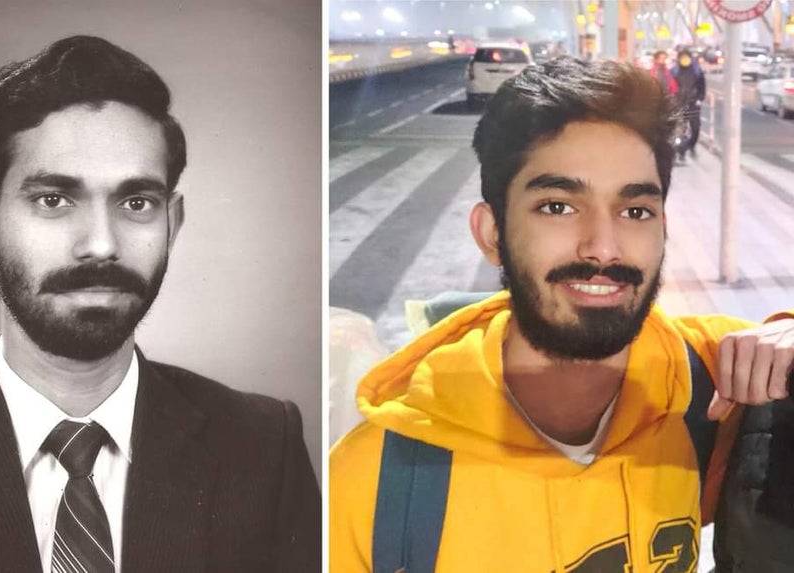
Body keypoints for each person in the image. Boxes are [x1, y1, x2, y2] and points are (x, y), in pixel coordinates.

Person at [0, 35, 319, 572]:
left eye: (136, 203)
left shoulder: (262, 446)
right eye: (54, 200)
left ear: (171, 224)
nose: (101, 243)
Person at [329, 56, 794, 571]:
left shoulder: (705, 382)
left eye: (635, 210)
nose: (603, 247)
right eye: (558, 206)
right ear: (491, 234)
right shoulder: (375, 483)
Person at [673, 48, 706, 160]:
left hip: (693, 103)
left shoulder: (697, 71)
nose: (685, 60)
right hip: (679, 104)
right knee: (680, 129)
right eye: (682, 57)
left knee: (695, 128)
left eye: (687, 57)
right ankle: (681, 152)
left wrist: (699, 99)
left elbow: (702, 87)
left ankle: (691, 145)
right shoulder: (674, 71)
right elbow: (669, 87)